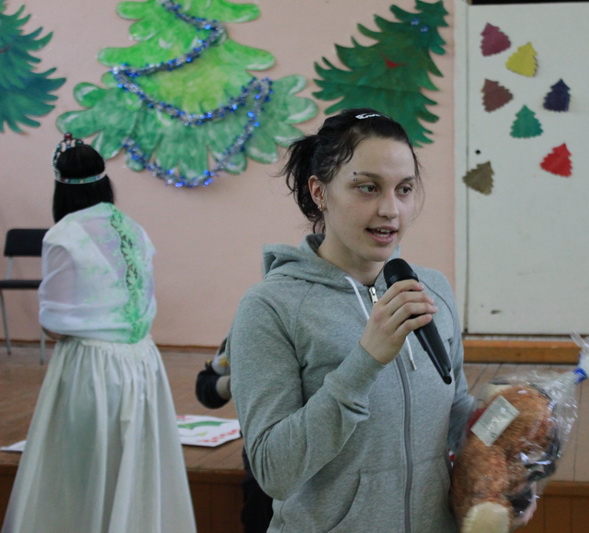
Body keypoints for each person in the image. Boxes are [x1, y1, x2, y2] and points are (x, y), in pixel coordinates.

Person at [227, 108, 479, 532]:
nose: (391, 209)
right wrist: (365, 361)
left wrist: (512, 441)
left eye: (404, 189)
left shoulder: (432, 288)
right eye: (368, 188)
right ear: (320, 192)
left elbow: (455, 413)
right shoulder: (271, 307)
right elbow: (273, 470)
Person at [1, 134, 196, 533]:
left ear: (60, 186)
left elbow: (53, 322)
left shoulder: (64, 234)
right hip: (143, 361)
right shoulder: (133, 229)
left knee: (82, 471)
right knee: (134, 466)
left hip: (92, 366)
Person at [195, 337, 273, 532]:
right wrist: (234, 383)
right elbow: (205, 387)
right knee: (260, 487)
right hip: (263, 438)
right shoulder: (246, 334)